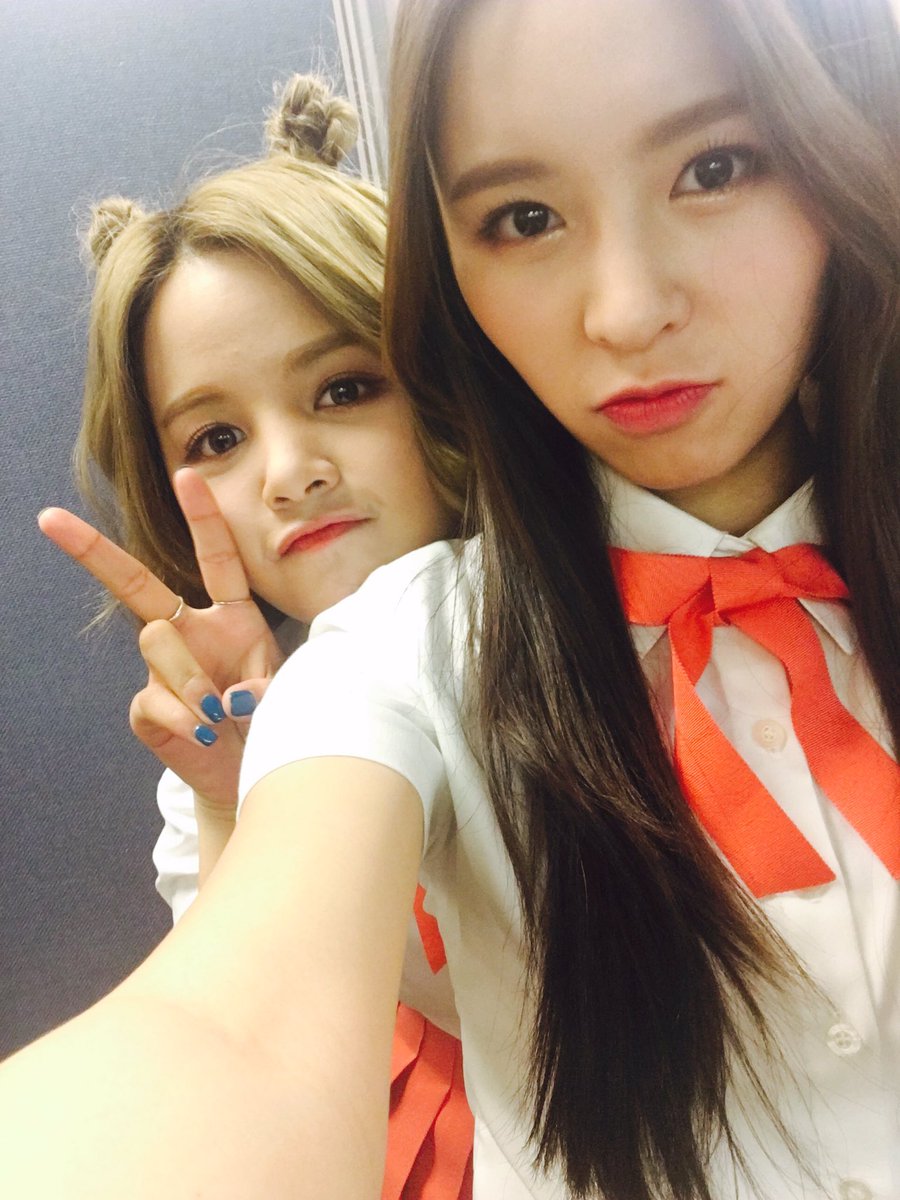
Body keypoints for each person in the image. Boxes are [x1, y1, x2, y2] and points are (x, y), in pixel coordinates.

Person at [1, 1, 898, 1197]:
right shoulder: (392, 660)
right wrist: (234, 799)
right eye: (524, 217)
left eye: (716, 166)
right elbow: (235, 1031)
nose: (626, 310)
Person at [37, 74, 472, 1199]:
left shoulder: (623, 623)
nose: (289, 472)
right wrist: (244, 798)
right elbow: (224, 1032)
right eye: (217, 438)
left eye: (345, 388)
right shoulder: (223, 747)